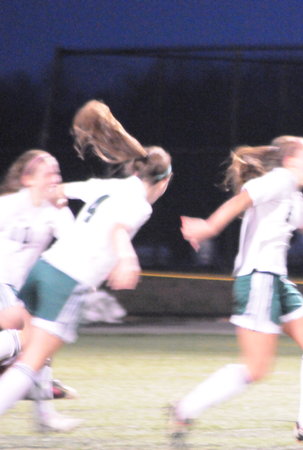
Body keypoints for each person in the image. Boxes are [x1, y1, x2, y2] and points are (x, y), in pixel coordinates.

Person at [0, 100, 173, 425]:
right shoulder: (140, 204)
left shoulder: (112, 186)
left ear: (136, 170)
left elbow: (63, 190)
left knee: (20, 334)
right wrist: (126, 258)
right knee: (32, 358)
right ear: (164, 181)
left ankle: (45, 417)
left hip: (44, 268)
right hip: (67, 280)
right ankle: (41, 414)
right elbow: (118, 228)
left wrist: (54, 194)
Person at [174, 136, 303, 449]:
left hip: (276, 281)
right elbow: (243, 198)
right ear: (289, 160)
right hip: (259, 280)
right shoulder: (279, 179)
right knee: (256, 368)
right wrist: (209, 227)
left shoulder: (290, 190)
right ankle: (184, 410)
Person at [0, 149, 80, 431]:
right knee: (33, 337)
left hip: (22, 290)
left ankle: (45, 417)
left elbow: (74, 245)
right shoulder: (8, 205)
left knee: (42, 340)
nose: (55, 179)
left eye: (57, 173)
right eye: (48, 173)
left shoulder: (56, 211)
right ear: (28, 178)